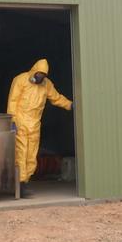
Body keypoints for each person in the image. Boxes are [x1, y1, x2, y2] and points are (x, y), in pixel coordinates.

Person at [7, 59, 73, 197]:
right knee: (21, 153)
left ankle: (25, 181)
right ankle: (20, 184)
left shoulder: (46, 85)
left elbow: (56, 98)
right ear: (34, 71)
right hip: (20, 122)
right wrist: (12, 121)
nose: (40, 78)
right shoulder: (20, 80)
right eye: (39, 74)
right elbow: (13, 101)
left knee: (32, 155)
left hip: (35, 124)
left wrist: (69, 105)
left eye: (43, 75)